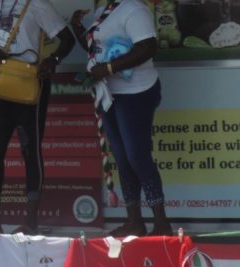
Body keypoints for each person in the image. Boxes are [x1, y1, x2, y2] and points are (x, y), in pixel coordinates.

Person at [72, 0, 171, 236]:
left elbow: (147, 47)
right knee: (122, 158)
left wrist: (108, 68)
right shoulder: (105, 12)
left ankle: (161, 222)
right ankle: (134, 221)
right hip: (110, 93)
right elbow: (94, 48)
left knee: (137, 156)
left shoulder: (134, 9)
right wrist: (76, 28)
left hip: (136, 92)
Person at [0, 0, 75, 234]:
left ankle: (31, 222)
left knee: (30, 151)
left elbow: (68, 40)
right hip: (1, 85)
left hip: (30, 85)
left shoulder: (37, 4)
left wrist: (52, 61)